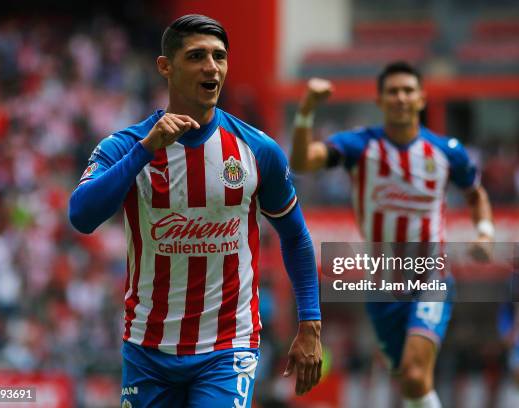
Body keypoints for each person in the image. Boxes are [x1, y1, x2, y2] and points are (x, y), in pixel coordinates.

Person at [68, 14, 322, 408]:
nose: (212, 67)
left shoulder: (258, 150)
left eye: (219, 56)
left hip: (227, 346)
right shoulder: (127, 145)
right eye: (197, 56)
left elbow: (296, 237)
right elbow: (82, 217)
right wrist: (144, 151)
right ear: (165, 66)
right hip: (147, 348)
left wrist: (310, 323)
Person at [289, 61, 494, 408]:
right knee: (411, 384)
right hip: (382, 287)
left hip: (431, 278)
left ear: (422, 98)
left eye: (408, 91)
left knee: (415, 374)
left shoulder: (445, 152)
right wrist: (306, 110)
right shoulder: (360, 146)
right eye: (393, 92)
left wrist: (485, 233)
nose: (401, 98)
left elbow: (476, 193)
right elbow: (303, 161)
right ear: (380, 100)